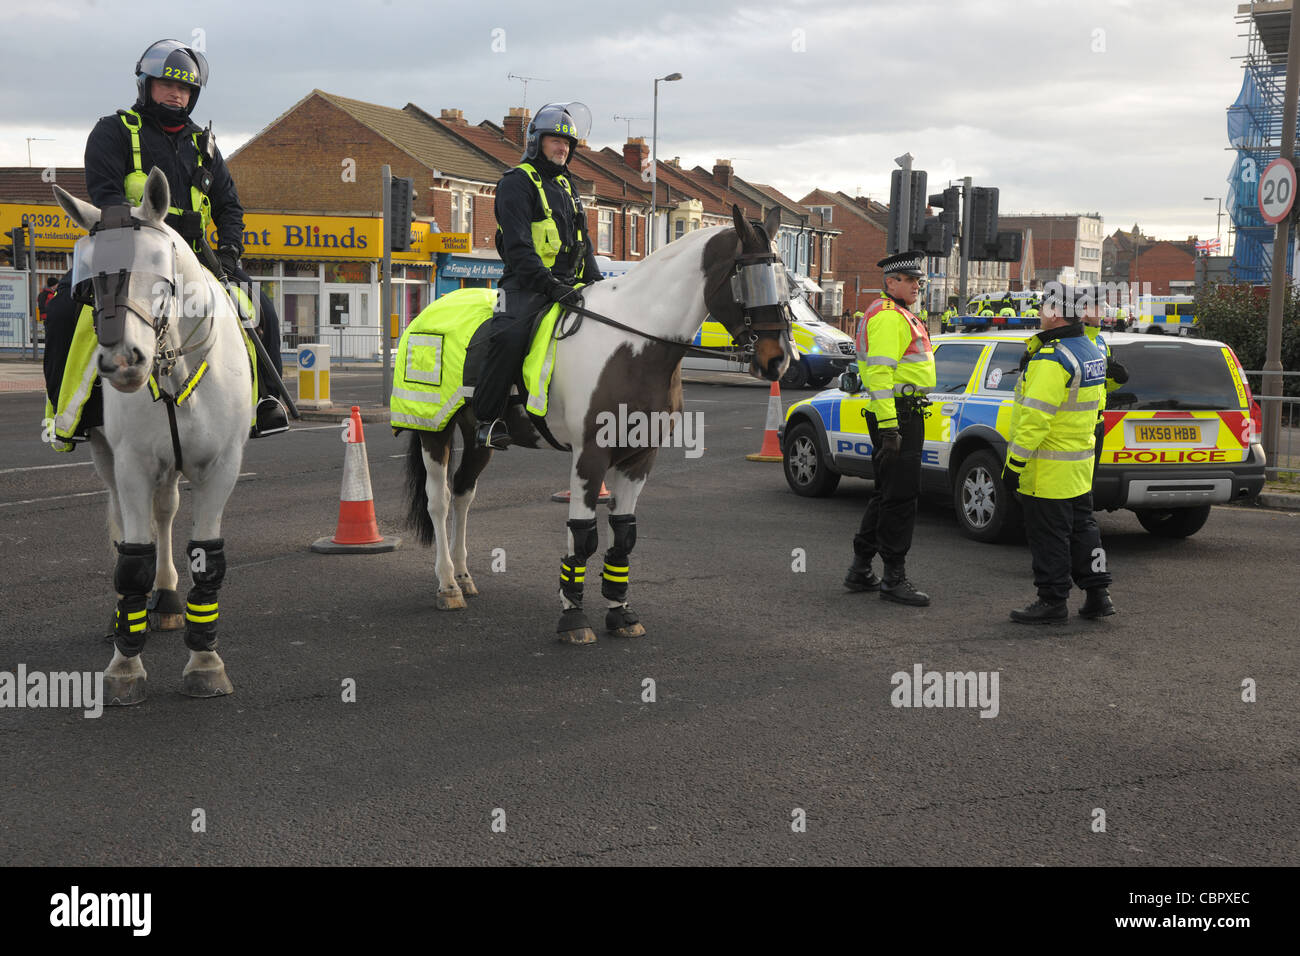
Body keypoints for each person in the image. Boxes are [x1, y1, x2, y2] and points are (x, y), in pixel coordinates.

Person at [44, 38, 288, 443]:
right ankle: (70, 414)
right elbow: (106, 196)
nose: (177, 94)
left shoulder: (203, 146)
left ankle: (266, 403)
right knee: (63, 312)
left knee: (261, 310)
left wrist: (228, 254)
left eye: (185, 89)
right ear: (146, 85)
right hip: (128, 253)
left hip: (196, 258)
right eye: (167, 85)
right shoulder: (114, 132)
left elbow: (230, 208)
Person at [472, 102, 601, 449]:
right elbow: (517, 247)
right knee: (509, 336)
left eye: (568, 144)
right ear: (536, 141)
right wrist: (549, 285)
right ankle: (488, 419)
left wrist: (600, 285)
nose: (563, 148)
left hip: (569, 285)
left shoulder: (568, 186)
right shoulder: (517, 183)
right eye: (555, 141)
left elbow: (583, 244)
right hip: (526, 285)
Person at [1004, 284, 1114, 623]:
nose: (1039, 314)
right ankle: (1098, 594)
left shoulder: (1053, 358)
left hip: (1047, 468)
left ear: (1054, 313)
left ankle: (1052, 600)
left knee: (1048, 534)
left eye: (1042, 308)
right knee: (1083, 527)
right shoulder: (1090, 350)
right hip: (1079, 462)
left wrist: (1014, 464)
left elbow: (1035, 419)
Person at [843, 252, 935, 606]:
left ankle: (861, 568)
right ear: (890, 282)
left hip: (896, 413)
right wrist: (891, 429)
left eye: (918, 281)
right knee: (901, 498)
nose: (916, 286)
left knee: (886, 494)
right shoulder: (888, 317)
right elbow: (879, 376)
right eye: (909, 280)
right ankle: (894, 578)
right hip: (897, 415)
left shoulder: (895, 314)